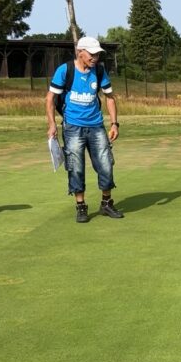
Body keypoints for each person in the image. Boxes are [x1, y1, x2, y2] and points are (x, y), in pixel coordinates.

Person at [45, 36, 123, 223]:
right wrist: (52, 124)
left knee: (105, 164)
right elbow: (50, 99)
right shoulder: (65, 70)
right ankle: (81, 206)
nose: (95, 57)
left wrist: (114, 124)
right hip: (72, 127)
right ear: (80, 52)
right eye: (92, 54)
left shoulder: (100, 71)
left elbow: (110, 97)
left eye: (97, 54)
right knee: (76, 167)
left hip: (96, 126)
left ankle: (106, 203)